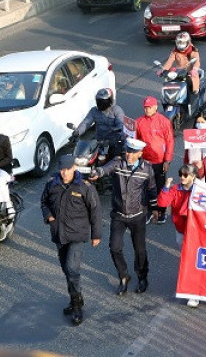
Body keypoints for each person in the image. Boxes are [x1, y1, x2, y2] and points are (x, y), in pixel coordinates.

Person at [89, 138, 157, 296]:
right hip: (119, 215)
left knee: (140, 250)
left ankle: (142, 277)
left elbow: (152, 189)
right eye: (127, 151)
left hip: (138, 215)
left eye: (132, 153)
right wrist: (97, 173)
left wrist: (155, 209)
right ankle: (124, 276)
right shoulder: (118, 163)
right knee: (114, 248)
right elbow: (105, 169)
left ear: (140, 153)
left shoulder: (147, 169)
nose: (128, 155)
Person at [41, 154, 101, 326]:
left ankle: (76, 307)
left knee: (72, 269)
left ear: (74, 168)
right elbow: (43, 202)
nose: (64, 173)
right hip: (59, 234)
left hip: (77, 235)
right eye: (62, 169)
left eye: (68, 169)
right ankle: (76, 298)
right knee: (67, 271)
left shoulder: (84, 186)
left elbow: (95, 210)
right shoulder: (52, 183)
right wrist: (49, 216)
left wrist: (96, 234)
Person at [156, 164, 200, 308]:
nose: (182, 177)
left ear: (193, 176)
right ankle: (187, 285)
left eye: (185, 175)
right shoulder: (175, 188)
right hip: (180, 229)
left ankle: (194, 294)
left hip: (195, 232)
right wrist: (166, 187)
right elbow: (163, 202)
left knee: (192, 261)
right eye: (180, 174)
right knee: (185, 259)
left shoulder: (200, 189)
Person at [134, 96, 175, 225]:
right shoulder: (139, 122)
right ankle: (150, 212)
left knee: (160, 188)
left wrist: (167, 160)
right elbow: (135, 140)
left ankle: (162, 212)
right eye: (145, 107)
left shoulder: (164, 122)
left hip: (160, 162)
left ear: (156, 107)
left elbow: (170, 141)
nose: (147, 109)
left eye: (149, 107)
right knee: (145, 188)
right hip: (145, 161)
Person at [75, 88, 127, 160]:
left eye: (103, 101)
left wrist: (116, 128)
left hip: (114, 142)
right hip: (99, 141)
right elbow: (86, 122)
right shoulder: (94, 110)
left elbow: (120, 123)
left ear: (109, 101)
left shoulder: (116, 110)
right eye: (99, 101)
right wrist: (77, 132)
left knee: (115, 161)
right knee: (84, 156)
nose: (100, 104)